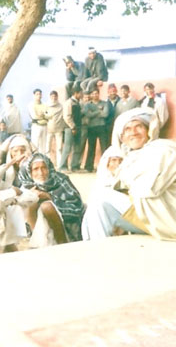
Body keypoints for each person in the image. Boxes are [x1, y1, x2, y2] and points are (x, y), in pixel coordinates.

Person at [82, 109, 176, 240]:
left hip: (165, 216)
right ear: (122, 137)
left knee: (101, 196)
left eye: (139, 127)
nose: (133, 132)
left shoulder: (163, 149)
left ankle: (96, 246)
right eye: (128, 129)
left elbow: (147, 188)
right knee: (97, 204)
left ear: (148, 131)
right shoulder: (130, 156)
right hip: (148, 213)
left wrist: (121, 177)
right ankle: (97, 247)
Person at [17, 153, 82, 243]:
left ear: (49, 168)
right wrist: (29, 197)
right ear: (29, 172)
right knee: (31, 203)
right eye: (35, 169)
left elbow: (77, 207)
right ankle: (39, 243)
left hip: (68, 229)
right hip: (38, 234)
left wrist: (49, 197)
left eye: (44, 168)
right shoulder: (26, 186)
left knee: (47, 206)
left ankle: (62, 243)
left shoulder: (60, 180)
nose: (41, 173)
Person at [83, 88, 109, 172]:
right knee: (91, 147)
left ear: (99, 94)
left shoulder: (104, 103)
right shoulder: (87, 105)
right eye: (93, 93)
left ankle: (106, 166)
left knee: (104, 147)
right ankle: (89, 167)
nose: (95, 95)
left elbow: (105, 114)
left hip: (102, 126)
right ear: (91, 95)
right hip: (91, 127)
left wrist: (93, 113)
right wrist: (98, 111)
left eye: (96, 93)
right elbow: (88, 115)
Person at [59, 87, 84, 172]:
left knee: (77, 147)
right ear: (76, 93)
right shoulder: (68, 103)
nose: (82, 94)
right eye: (80, 93)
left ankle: (74, 166)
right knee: (67, 148)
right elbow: (67, 117)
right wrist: (73, 127)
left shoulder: (78, 102)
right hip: (70, 128)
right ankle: (62, 166)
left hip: (78, 127)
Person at [45, 91, 66, 167]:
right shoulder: (46, 106)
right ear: (50, 97)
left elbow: (64, 116)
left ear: (57, 97)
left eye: (55, 96)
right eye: (52, 96)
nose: (54, 98)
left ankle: (59, 164)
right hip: (49, 129)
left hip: (59, 129)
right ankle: (47, 164)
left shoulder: (61, 106)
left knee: (59, 148)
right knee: (47, 148)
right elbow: (44, 116)